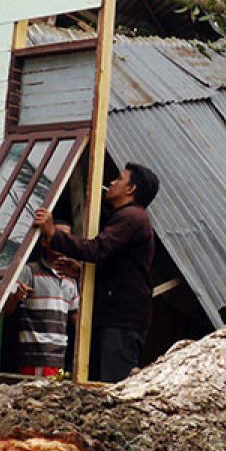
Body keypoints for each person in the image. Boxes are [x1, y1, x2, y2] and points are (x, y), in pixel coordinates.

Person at [33, 163, 158, 383]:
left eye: (119, 179)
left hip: (121, 321)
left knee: (111, 386)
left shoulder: (131, 217)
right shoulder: (130, 217)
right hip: (117, 318)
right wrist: (81, 272)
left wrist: (53, 233)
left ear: (131, 189)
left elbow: (97, 249)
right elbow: (119, 270)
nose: (112, 182)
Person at [4, 225, 80, 377]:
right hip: (34, 357)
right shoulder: (29, 271)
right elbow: (6, 310)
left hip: (59, 358)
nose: (60, 242)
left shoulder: (71, 279)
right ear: (43, 242)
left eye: (64, 238)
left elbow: (76, 319)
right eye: (55, 236)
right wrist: (17, 296)